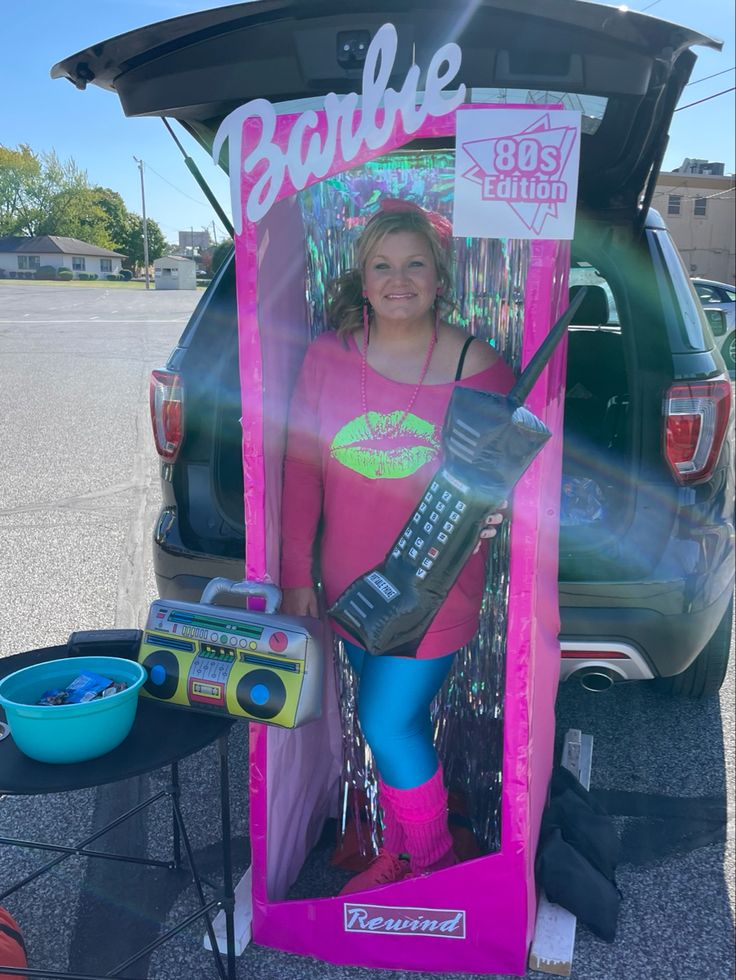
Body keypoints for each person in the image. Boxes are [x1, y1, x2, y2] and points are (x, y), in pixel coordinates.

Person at [280, 198, 516, 893]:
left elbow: (506, 476)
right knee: (386, 720)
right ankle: (404, 846)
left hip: (437, 587)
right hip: (350, 584)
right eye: (383, 265)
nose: (399, 278)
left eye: (415, 263)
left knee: (387, 721)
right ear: (362, 278)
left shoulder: (482, 365)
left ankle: (430, 857)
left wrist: (501, 505)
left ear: (440, 277)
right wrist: (298, 575)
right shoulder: (328, 356)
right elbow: (300, 467)